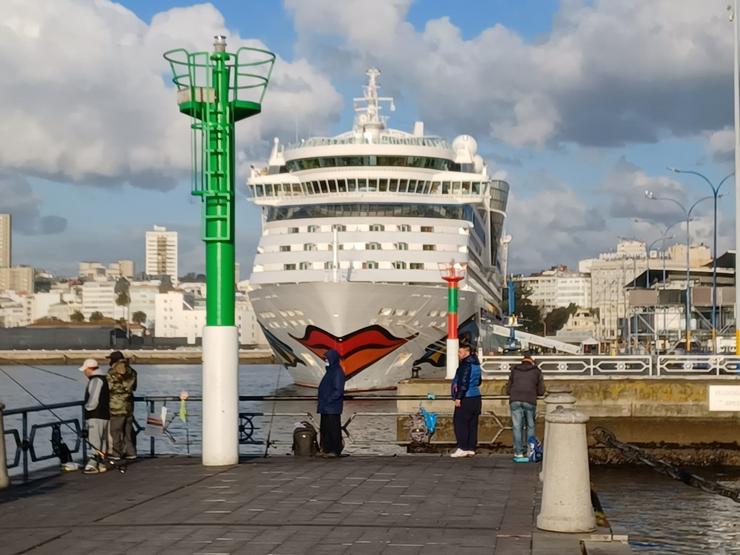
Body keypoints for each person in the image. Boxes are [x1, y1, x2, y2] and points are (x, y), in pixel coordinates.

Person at [506, 353, 545, 462]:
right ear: (532, 361)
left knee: (517, 426)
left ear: (522, 360)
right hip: (529, 399)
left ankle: (518, 453)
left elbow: (508, 386)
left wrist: (511, 392)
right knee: (530, 426)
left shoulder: (515, 370)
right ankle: (530, 451)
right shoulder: (536, 371)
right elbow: (541, 390)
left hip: (515, 399)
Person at [450, 343, 482, 458]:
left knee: (460, 423)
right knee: (472, 424)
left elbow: (463, 383)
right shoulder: (476, 364)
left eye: (460, 352)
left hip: (466, 397)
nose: (458, 354)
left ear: (466, 353)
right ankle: (471, 448)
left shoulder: (465, 365)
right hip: (476, 397)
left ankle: (462, 447)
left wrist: (458, 397)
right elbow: (479, 381)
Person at [106, 351, 138, 460]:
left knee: (115, 431)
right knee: (127, 431)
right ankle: (131, 452)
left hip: (116, 406)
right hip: (129, 406)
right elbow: (134, 387)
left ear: (113, 360)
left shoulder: (111, 372)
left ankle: (116, 453)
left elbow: (108, 388)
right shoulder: (132, 371)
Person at [80, 358, 110, 474]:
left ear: (89, 369)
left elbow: (93, 400)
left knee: (94, 440)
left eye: (85, 370)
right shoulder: (103, 378)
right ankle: (101, 463)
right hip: (104, 414)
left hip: (95, 415)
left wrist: (87, 408)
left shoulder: (96, 380)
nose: (84, 372)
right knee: (102, 440)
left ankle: (92, 464)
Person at [317, 349, 345, 457]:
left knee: (333, 429)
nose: (325, 361)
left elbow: (338, 390)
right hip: (325, 406)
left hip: (332, 406)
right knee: (325, 429)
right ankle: (326, 449)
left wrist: (329, 399)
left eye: (327, 359)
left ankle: (335, 450)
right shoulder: (330, 371)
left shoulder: (337, 372)